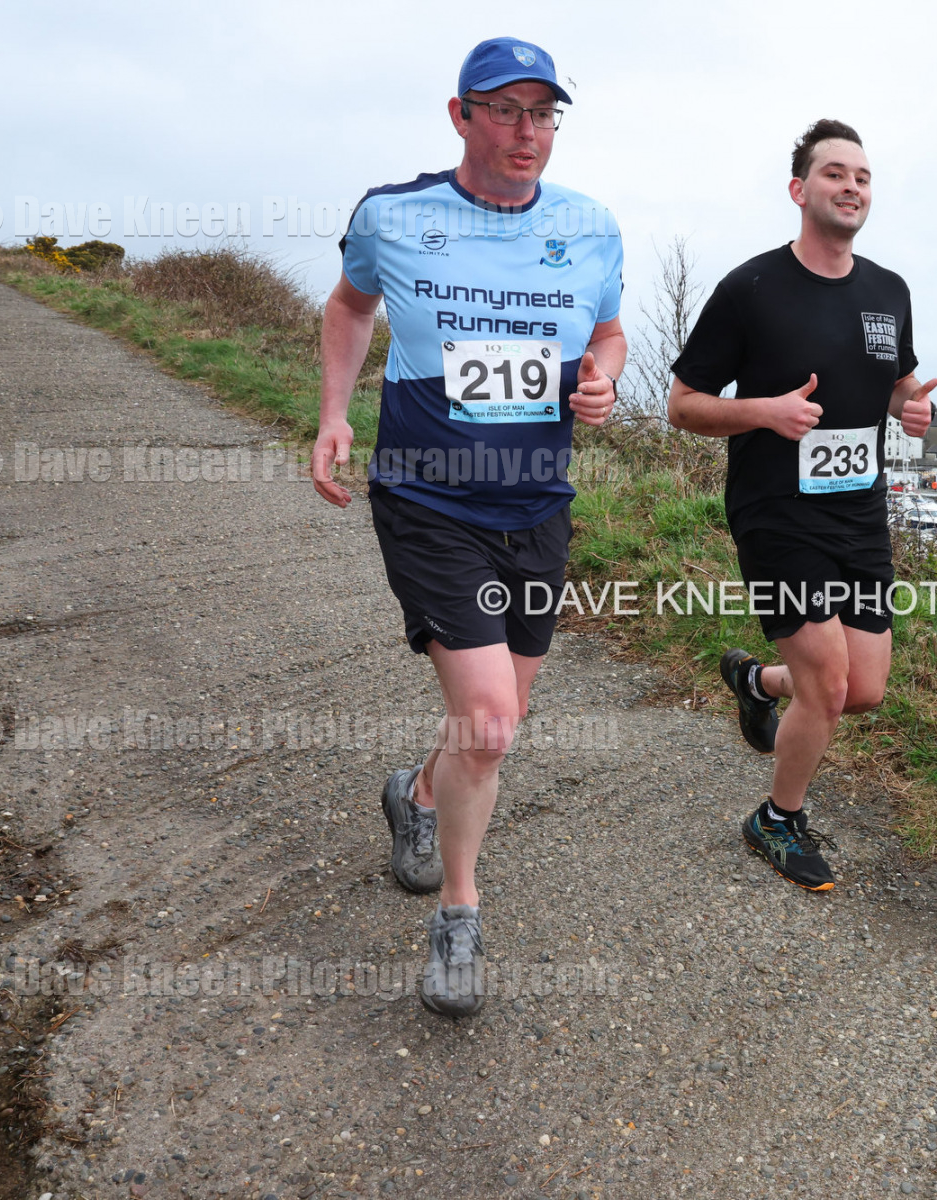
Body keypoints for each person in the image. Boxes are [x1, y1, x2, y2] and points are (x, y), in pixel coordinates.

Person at [311, 36, 626, 1015]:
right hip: (429, 498)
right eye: (505, 109)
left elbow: (609, 331)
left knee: (492, 727)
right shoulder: (394, 215)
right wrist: (333, 414)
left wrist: (605, 377)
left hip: (537, 505)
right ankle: (460, 916)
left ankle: (415, 795)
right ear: (461, 115)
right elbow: (349, 307)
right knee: (488, 723)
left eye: (544, 113)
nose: (528, 131)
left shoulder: (590, 226)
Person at [667, 119, 935, 891]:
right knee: (828, 685)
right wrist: (766, 411)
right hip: (775, 512)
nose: (852, 187)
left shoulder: (889, 291)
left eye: (862, 176)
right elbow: (682, 405)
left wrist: (913, 408)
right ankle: (777, 820)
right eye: (834, 173)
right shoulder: (751, 289)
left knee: (864, 690)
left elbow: (896, 385)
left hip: (859, 514)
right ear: (799, 189)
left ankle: (759, 683)